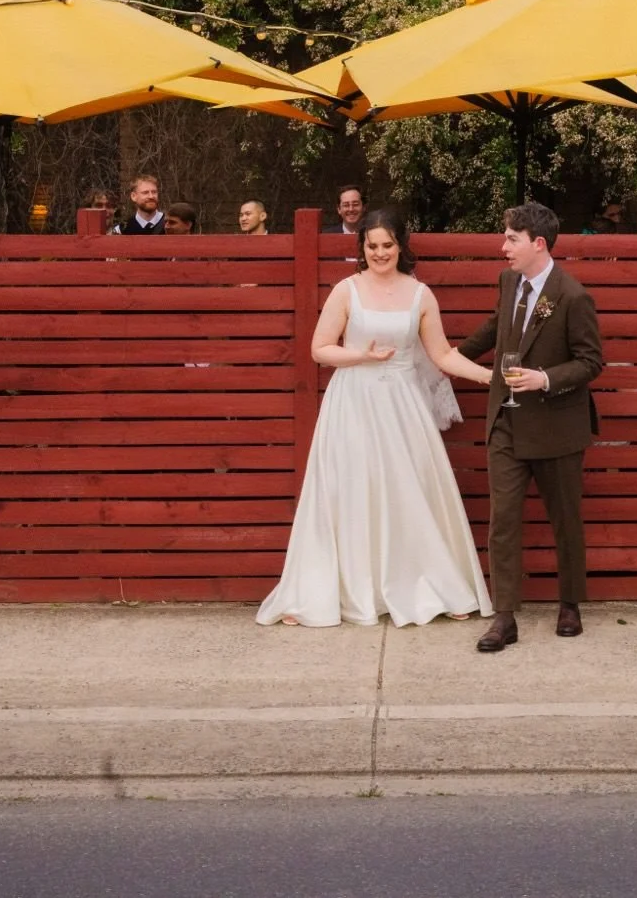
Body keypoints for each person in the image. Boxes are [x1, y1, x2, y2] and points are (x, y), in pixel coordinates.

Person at [258, 209, 494, 627]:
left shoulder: (421, 295)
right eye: (372, 246)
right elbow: (319, 348)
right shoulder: (346, 291)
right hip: (353, 402)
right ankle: (333, 590)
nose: (380, 253)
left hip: (404, 407)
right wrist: (361, 357)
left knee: (410, 491)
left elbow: (441, 356)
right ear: (361, 248)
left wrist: (490, 378)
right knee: (351, 491)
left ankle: (436, 585)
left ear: (400, 246)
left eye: (387, 245)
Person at [449, 202, 604, 653]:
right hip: (507, 422)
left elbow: (592, 361)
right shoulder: (507, 282)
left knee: (565, 521)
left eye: (511, 239)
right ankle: (504, 618)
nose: (503, 247)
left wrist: (546, 379)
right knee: (503, 522)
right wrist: (449, 358)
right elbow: (498, 328)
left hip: (557, 427)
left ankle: (570, 604)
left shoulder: (573, 296)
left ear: (538, 243)